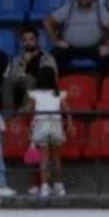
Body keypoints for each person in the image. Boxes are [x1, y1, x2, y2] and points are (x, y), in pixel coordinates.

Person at [46, 0, 109, 73]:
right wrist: (56, 41)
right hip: (70, 47)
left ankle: (106, 82)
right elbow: (48, 21)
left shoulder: (99, 8)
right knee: (50, 60)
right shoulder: (70, 7)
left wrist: (108, 46)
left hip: (94, 47)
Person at [23, 68, 68, 197]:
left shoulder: (35, 95)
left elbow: (28, 109)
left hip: (42, 125)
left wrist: (22, 112)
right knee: (56, 157)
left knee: (44, 157)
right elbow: (66, 109)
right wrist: (70, 124)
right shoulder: (58, 94)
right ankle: (59, 186)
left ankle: (44, 187)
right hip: (55, 125)